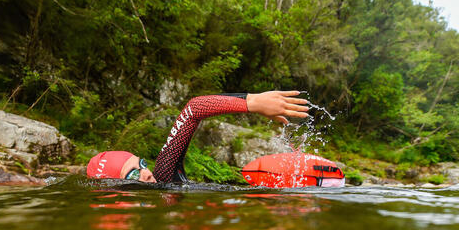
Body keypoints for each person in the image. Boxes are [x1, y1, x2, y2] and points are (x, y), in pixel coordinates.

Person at [86, 90, 310, 184]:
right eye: (133, 173)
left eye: (142, 163)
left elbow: (193, 109)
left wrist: (253, 102)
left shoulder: (164, 176)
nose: (146, 173)